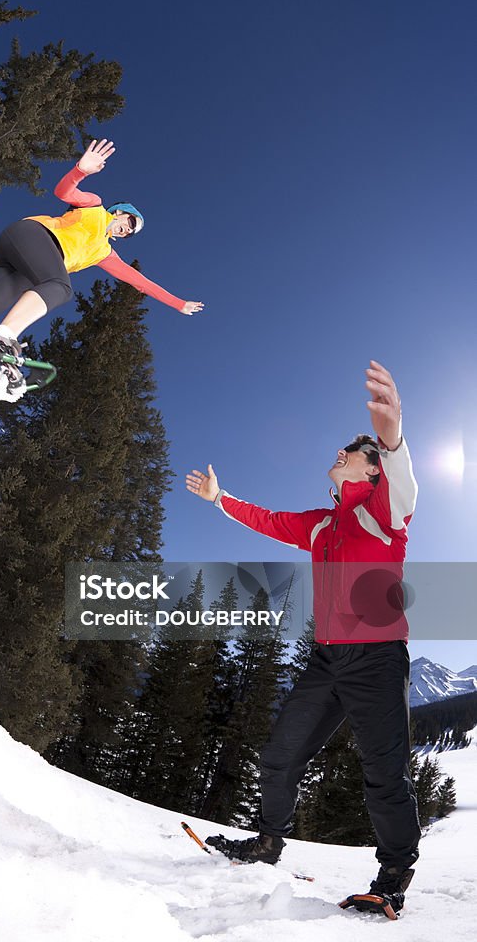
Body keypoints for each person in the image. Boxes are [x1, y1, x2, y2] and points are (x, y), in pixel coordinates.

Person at [185, 360, 421, 915]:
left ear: (371, 473)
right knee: (280, 752)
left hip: (378, 660)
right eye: (345, 447)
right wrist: (221, 498)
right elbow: (267, 519)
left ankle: (393, 877)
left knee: (383, 770)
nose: (342, 452)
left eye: (355, 452)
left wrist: (391, 434)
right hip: (327, 662)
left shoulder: (383, 515)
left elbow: (400, 474)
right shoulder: (321, 523)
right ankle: (267, 842)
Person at [0, 139, 204, 356]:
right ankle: (2, 336)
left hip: (23, 271)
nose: (126, 230)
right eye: (129, 222)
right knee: (61, 287)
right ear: (120, 212)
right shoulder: (96, 208)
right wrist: (80, 171)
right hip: (31, 235)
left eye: (130, 232)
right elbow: (64, 192)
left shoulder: (105, 253)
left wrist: (178, 303)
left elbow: (141, 283)